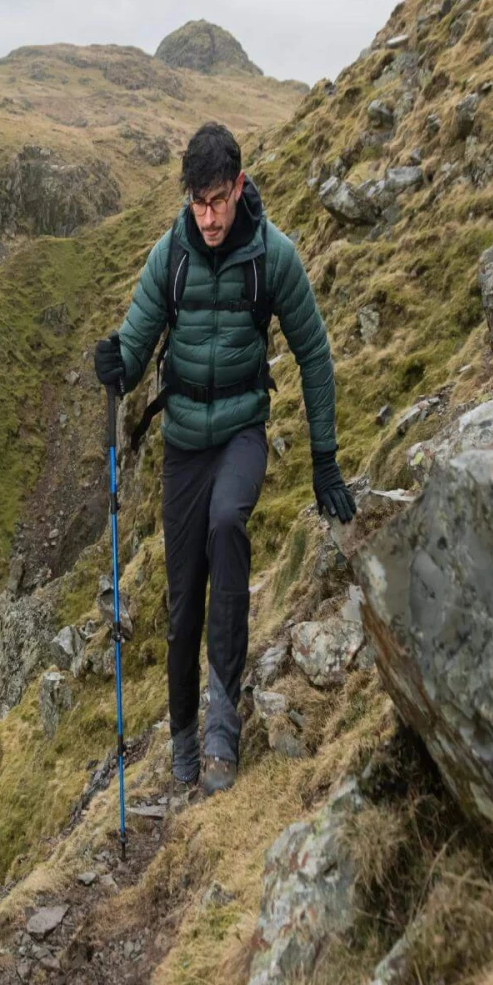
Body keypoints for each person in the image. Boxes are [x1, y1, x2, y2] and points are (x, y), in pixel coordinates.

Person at [93, 122, 355, 795]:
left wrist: (324, 458)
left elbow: (315, 356)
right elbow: (137, 339)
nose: (207, 217)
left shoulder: (274, 258)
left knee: (227, 526)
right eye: (197, 203)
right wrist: (114, 362)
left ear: (240, 186)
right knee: (182, 605)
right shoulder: (169, 256)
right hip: (183, 443)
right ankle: (183, 741)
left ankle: (221, 733)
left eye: (217, 200)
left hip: (240, 431)